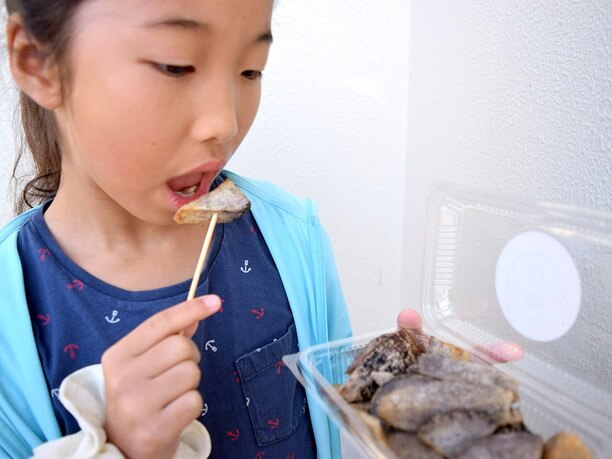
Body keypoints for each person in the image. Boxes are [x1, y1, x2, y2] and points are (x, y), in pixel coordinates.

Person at [0, 1, 440, 458]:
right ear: (40, 64)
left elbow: (337, 402)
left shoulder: (293, 235)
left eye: (251, 70)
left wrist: (419, 402)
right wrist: (120, 449)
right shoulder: (10, 316)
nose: (225, 124)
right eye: (176, 65)